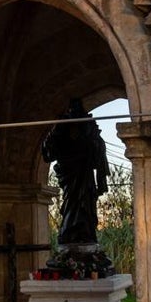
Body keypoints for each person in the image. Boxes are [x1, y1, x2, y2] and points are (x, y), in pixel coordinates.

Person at [41, 98, 110, 246]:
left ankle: (84, 233)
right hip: (69, 173)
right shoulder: (62, 127)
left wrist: (93, 140)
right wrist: (55, 131)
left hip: (84, 172)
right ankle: (70, 232)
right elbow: (49, 152)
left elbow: (97, 146)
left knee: (85, 203)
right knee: (72, 203)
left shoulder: (88, 125)